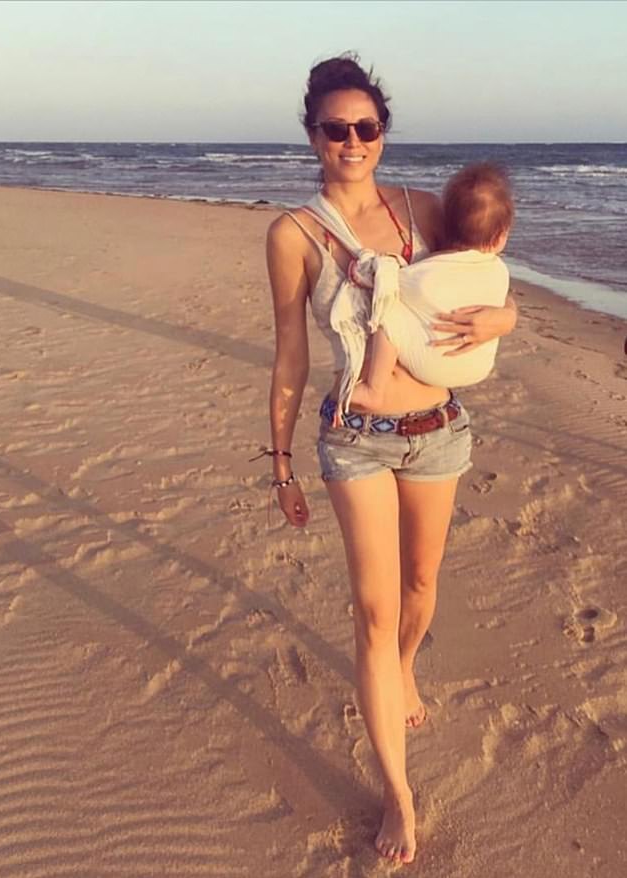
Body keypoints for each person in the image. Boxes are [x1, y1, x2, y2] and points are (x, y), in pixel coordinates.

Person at [265, 53, 517, 866]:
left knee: (420, 587)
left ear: (383, 134)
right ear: (313, 136)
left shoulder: (419, 209)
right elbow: (291, 356)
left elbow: (483, 278)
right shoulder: (293, 234)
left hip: (438, 427)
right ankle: (398, 796)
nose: (352, 140)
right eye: (336, 128)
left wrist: (505, 319)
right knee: (373, 614)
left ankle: (408, 668)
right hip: (356, 439)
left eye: (366, 127)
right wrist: (280, 462)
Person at [347, 162, 513, 415]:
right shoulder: (500, 272)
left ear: (444, 225)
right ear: (502, 235)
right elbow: (504, 301)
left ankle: (374, 388)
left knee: (389, 311)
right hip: (478, 367)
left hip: (432, 365)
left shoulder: (423, 275)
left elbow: (387, 282)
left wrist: (369, 272)